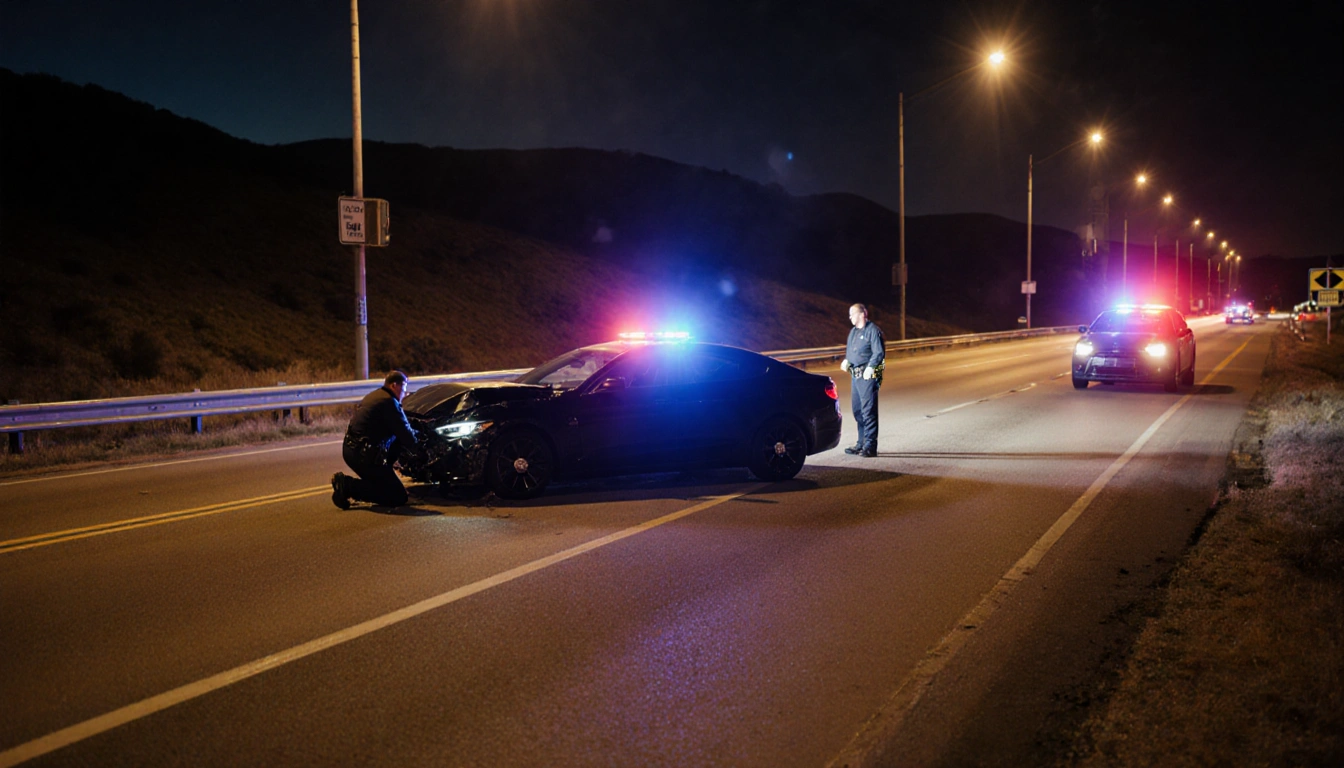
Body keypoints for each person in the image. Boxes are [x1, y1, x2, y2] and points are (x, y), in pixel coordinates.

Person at [331, 370, 419, 508]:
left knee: (381, 481)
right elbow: (407, 436)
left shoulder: (374, 396)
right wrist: (419, 442)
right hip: (364, 456)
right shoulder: (389, 403)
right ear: (394, 386)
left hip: (352, 449)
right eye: (404, 389)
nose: (405, 393)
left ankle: (350, 487)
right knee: (398, 496)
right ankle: (348, 486)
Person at [840, 303, 885, 457]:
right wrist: (847, 361)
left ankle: (870, 446)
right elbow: (852, 351)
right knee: (858, 411)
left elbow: (878, 352)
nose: (850, 317)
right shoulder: (853, 332)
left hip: (867, 376)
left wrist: (871, 367)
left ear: (861, 314)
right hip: (856, 375)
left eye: (852, 314)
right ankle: (861, 443)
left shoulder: (873, 331)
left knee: (868, 411)